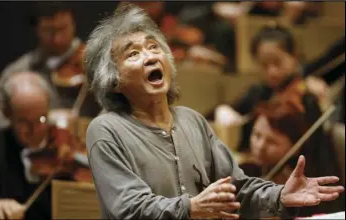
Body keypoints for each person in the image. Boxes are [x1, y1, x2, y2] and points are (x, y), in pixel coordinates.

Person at [84, 4, 344, 219]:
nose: (150, 56)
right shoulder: (106, 129)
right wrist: (192, 208)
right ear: (114, 80)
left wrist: (278, 195)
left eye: (154, 47)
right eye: (133, 54)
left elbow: (237, 188)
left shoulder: (192, 120)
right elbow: (130, 209)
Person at [207, 24, 328, 151]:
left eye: (277, 62)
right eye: (264, 65)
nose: (272, 71)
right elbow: (225, 113)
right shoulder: (258, 93)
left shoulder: (307, 96)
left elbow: (316, 147)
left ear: (294, 57)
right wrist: (222, 110)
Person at [0, 71, 90, 220]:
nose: (34, 130)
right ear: (7, 114)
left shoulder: (64, 145)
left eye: (41, 118)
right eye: (23, 122)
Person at [0, 1, 100, 130]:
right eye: (49, 31)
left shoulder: (96, 62)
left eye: (63, 28)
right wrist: (42, 117)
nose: (57, 39)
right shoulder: (17, 71)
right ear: (36, 29)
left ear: (73, 24)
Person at [238, 99, 344, 216]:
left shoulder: (307, 183)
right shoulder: (244, 170)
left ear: (295, 147)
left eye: (272, 142)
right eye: (257, 135)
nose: (260, 146)